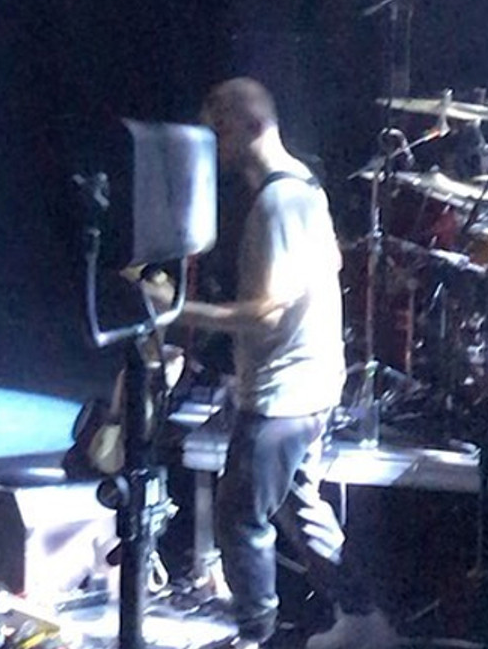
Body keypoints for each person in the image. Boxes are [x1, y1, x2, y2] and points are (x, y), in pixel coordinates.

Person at [147, 78, 398, 649]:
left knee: (240, 517)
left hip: (283, 395)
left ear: (253, 125)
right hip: (312, 383)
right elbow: (328, 264)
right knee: (300, 507)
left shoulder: (278, 202)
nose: (213, 143)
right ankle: (364, 621)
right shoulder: (304, 184)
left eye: (220, 129)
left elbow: (264, 313)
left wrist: (174, 308)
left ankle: (254, 634)